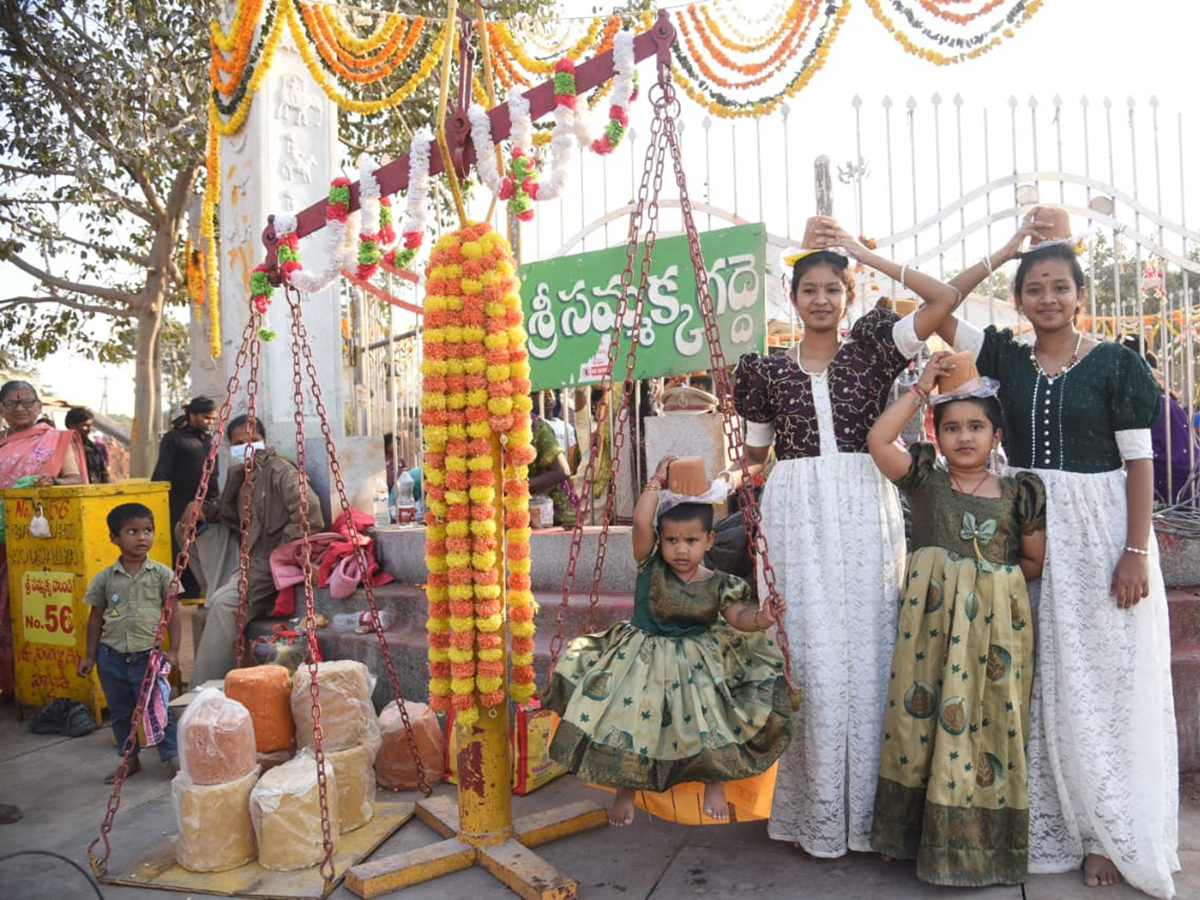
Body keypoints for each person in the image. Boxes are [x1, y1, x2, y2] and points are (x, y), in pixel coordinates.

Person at [937, 218, 1179, 897]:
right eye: (1034, 287)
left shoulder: (1116, 364)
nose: (1048, 297)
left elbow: (1140, 464)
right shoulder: (1006, 359)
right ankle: (1054, 826)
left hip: (1104, 531)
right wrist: (1006, 247)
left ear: (1081, 294)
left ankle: (1107, 832)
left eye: (1060, 287)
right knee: (1036, 678)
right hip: (1032, 530)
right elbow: (937, 305)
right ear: (1018, 299)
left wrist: (1136, 551)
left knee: (1103, 680)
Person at [732, 216, 967, 857]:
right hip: (795, 514)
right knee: (808, 654)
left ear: (849, 294)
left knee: (870, 651)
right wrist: (687, 488)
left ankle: (871, 817)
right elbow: (754, 459)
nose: (820, 300)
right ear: (792, 296)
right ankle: (813, 815)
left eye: (831, 289)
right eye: (808, 289)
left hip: (865, 505)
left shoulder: (874, 345)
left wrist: (864, 251)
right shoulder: (764, 371)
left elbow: (943, 301)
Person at [866, 352, 1046, 886]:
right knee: (917, 724)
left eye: (976, 427)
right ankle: (906, 837)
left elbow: (1032, 562)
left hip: (993, 637)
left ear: (996, 434)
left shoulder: (1019, 493)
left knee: (991, 724)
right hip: (931, 634)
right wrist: (922, 386)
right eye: (951, 428)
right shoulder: (924, 479)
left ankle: (982, 846)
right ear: (935, 434)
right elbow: (879, 442)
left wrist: (986, 584)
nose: (963, 437)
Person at [544, 455, 792, 826]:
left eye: (691, 541)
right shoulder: (650, 565)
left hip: (700, 659)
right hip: (642, 655)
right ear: (659, 541)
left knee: (711, 716)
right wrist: (655, 482)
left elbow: (737, 616)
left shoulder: (718, 582)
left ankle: (714, 779)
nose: (680, 550)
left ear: (709, 540)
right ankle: (626, 790)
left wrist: (763, 617)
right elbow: (642, 522)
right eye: (671, 540)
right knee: (629, 722)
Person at [190, 415, 324, 685]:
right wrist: (200, 510)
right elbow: (229, 515)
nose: (246, 446)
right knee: (189, 535)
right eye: (238, 442)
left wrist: (282, 549)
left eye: (251, 440)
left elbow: (309, 512)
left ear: (264, 440)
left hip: (268, 559)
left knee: (225, 605)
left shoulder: (279, 471)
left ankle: (206, 687)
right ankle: (220, 588)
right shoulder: (240, 473)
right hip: (244, 551)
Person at [76, 503, 179, 782]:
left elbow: (173, 613)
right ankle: (129, 760)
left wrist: (175, 650)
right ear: (115, 538)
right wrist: (89, 656)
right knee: (121, 714)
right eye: (132, 531)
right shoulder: (104, 579)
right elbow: (95, 619)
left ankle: (173, 759)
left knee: (159, 709)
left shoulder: (161, 574)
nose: (142, 537)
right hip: (112, 657)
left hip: (149, 656)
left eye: (148, 530)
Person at [0, 381, 86, 695]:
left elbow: (75, 480)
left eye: (26, 401)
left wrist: (52, 480)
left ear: (39, 406)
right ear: (2, 410)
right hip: (1, 539)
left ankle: (34, 684)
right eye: (11, 403)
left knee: (30, 611)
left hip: (41, 543)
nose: (20, 408)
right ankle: (9, 686)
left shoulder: (54, 442)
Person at [151, 397, 218, 599]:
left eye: (213, 419)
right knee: (181, 557)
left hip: (205, 509)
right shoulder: (174, 438)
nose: (210, 422)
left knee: (202, 556)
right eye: (206, 418)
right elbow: (161, 475)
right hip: (178, 509)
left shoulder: (208, 440)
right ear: (193, 416)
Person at [530, 411, 576, 527]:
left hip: (554, 512)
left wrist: (517, 488)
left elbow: (562, 471)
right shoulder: (483, 426)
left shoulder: (535, 426)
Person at [65, 406, 110, 485]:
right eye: (85, 425)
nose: (89, 430)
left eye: (90, 426)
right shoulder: (63, 447)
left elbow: (103, 474)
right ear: (72, 425)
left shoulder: (92, 448)